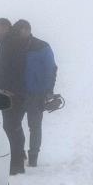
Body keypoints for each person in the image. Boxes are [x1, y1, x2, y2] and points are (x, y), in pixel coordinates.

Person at [11, 19, 57, 168]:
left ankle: (33, 157)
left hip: (37, 94)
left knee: (34, 126)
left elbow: (52, 69)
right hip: (18, 93)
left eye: (20, 31)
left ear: (28, 29)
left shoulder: (42, 47)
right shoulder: (16, 47)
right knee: (15, 124)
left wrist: (49, 90)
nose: (18, 34)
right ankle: (20, 152)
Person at [0, 17, 27, 174]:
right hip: (10, 93)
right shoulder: (9, 43)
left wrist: (10, 89)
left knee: (11, 128)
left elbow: (17, 69)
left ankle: (15, 164)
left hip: (12, 95)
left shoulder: (11, 44)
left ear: (6, 28)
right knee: (14, 127)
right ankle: (17, 162)